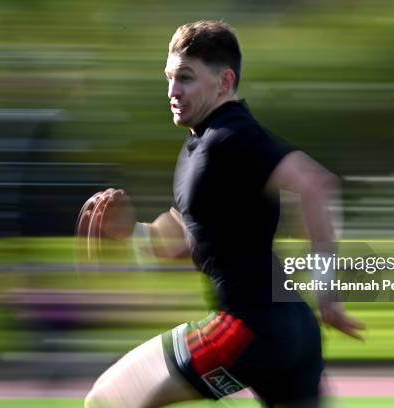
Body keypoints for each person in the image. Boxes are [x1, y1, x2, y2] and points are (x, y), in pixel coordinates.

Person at [80, 20, 364, 408]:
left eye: (186, 78)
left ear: (224, 82)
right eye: (169, 77)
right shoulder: (205, 144)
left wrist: (329, 293)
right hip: (294, 329)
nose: (172, 91)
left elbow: (315, 184)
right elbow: (185, 241)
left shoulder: (231, 137)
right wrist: (130, 232)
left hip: (247, 329)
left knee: (105, 400)